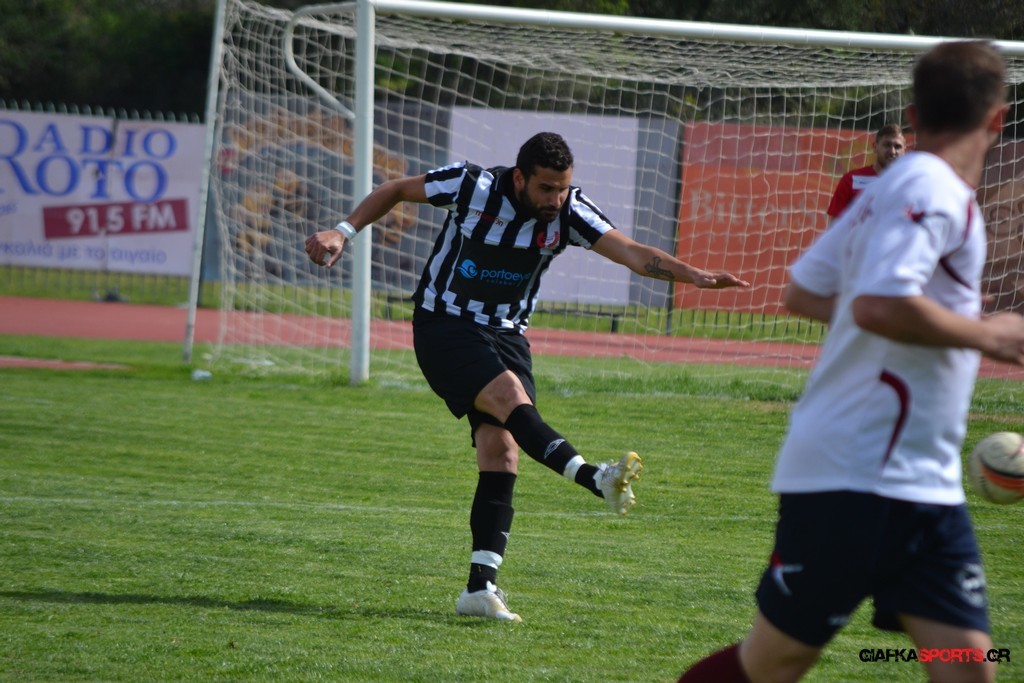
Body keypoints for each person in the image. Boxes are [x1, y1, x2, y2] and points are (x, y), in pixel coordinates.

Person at [678, 41, 1024, 683]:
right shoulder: (932, 188)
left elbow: (806, 292)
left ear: (913, 117)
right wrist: (988, 335)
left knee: (968, 665)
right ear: (998, 119)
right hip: (857, 476)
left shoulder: (892, 188)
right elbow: (877, 305)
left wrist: (918, 319)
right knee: (773, 662)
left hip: (918, 481)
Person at [305, 132, 749, 623]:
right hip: (444, 324)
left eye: (562, 188)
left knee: (502, 452)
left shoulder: (569, 212)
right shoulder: (470, 185)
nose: (555, 199)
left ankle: (480, 588)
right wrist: (343, 230)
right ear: (520, 178)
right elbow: (394, 189)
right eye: (546, 188)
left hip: (507, 335)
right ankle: (595, 478)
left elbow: (632, 253)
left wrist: (694, 275)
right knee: (510, 397)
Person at [825, 123, 907, 223]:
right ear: (875, 147)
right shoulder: (851, 180)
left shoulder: (910, 182)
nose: (892, 151)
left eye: (897, 146)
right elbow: (835, 226)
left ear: (904, 150)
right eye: (887, 145)